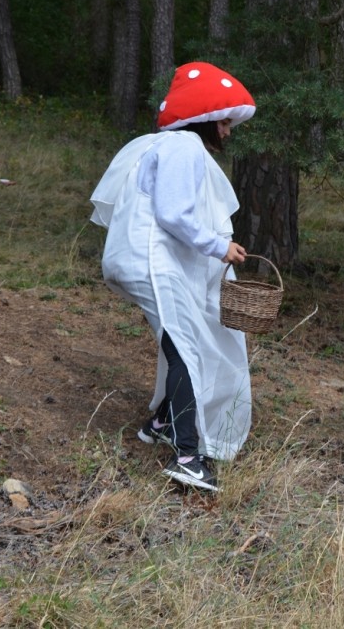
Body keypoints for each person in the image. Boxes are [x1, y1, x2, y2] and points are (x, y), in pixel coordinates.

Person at [89, 62, 257, 491]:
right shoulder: (183, 146)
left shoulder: (164, 145)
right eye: (224, 122)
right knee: (186, 348)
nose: (228, 132)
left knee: (180, 341)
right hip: (150, 262)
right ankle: (187, 458)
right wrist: (220, 247)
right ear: (205, 117)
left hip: (141, 260)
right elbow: (174, 213)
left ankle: (161, 423)